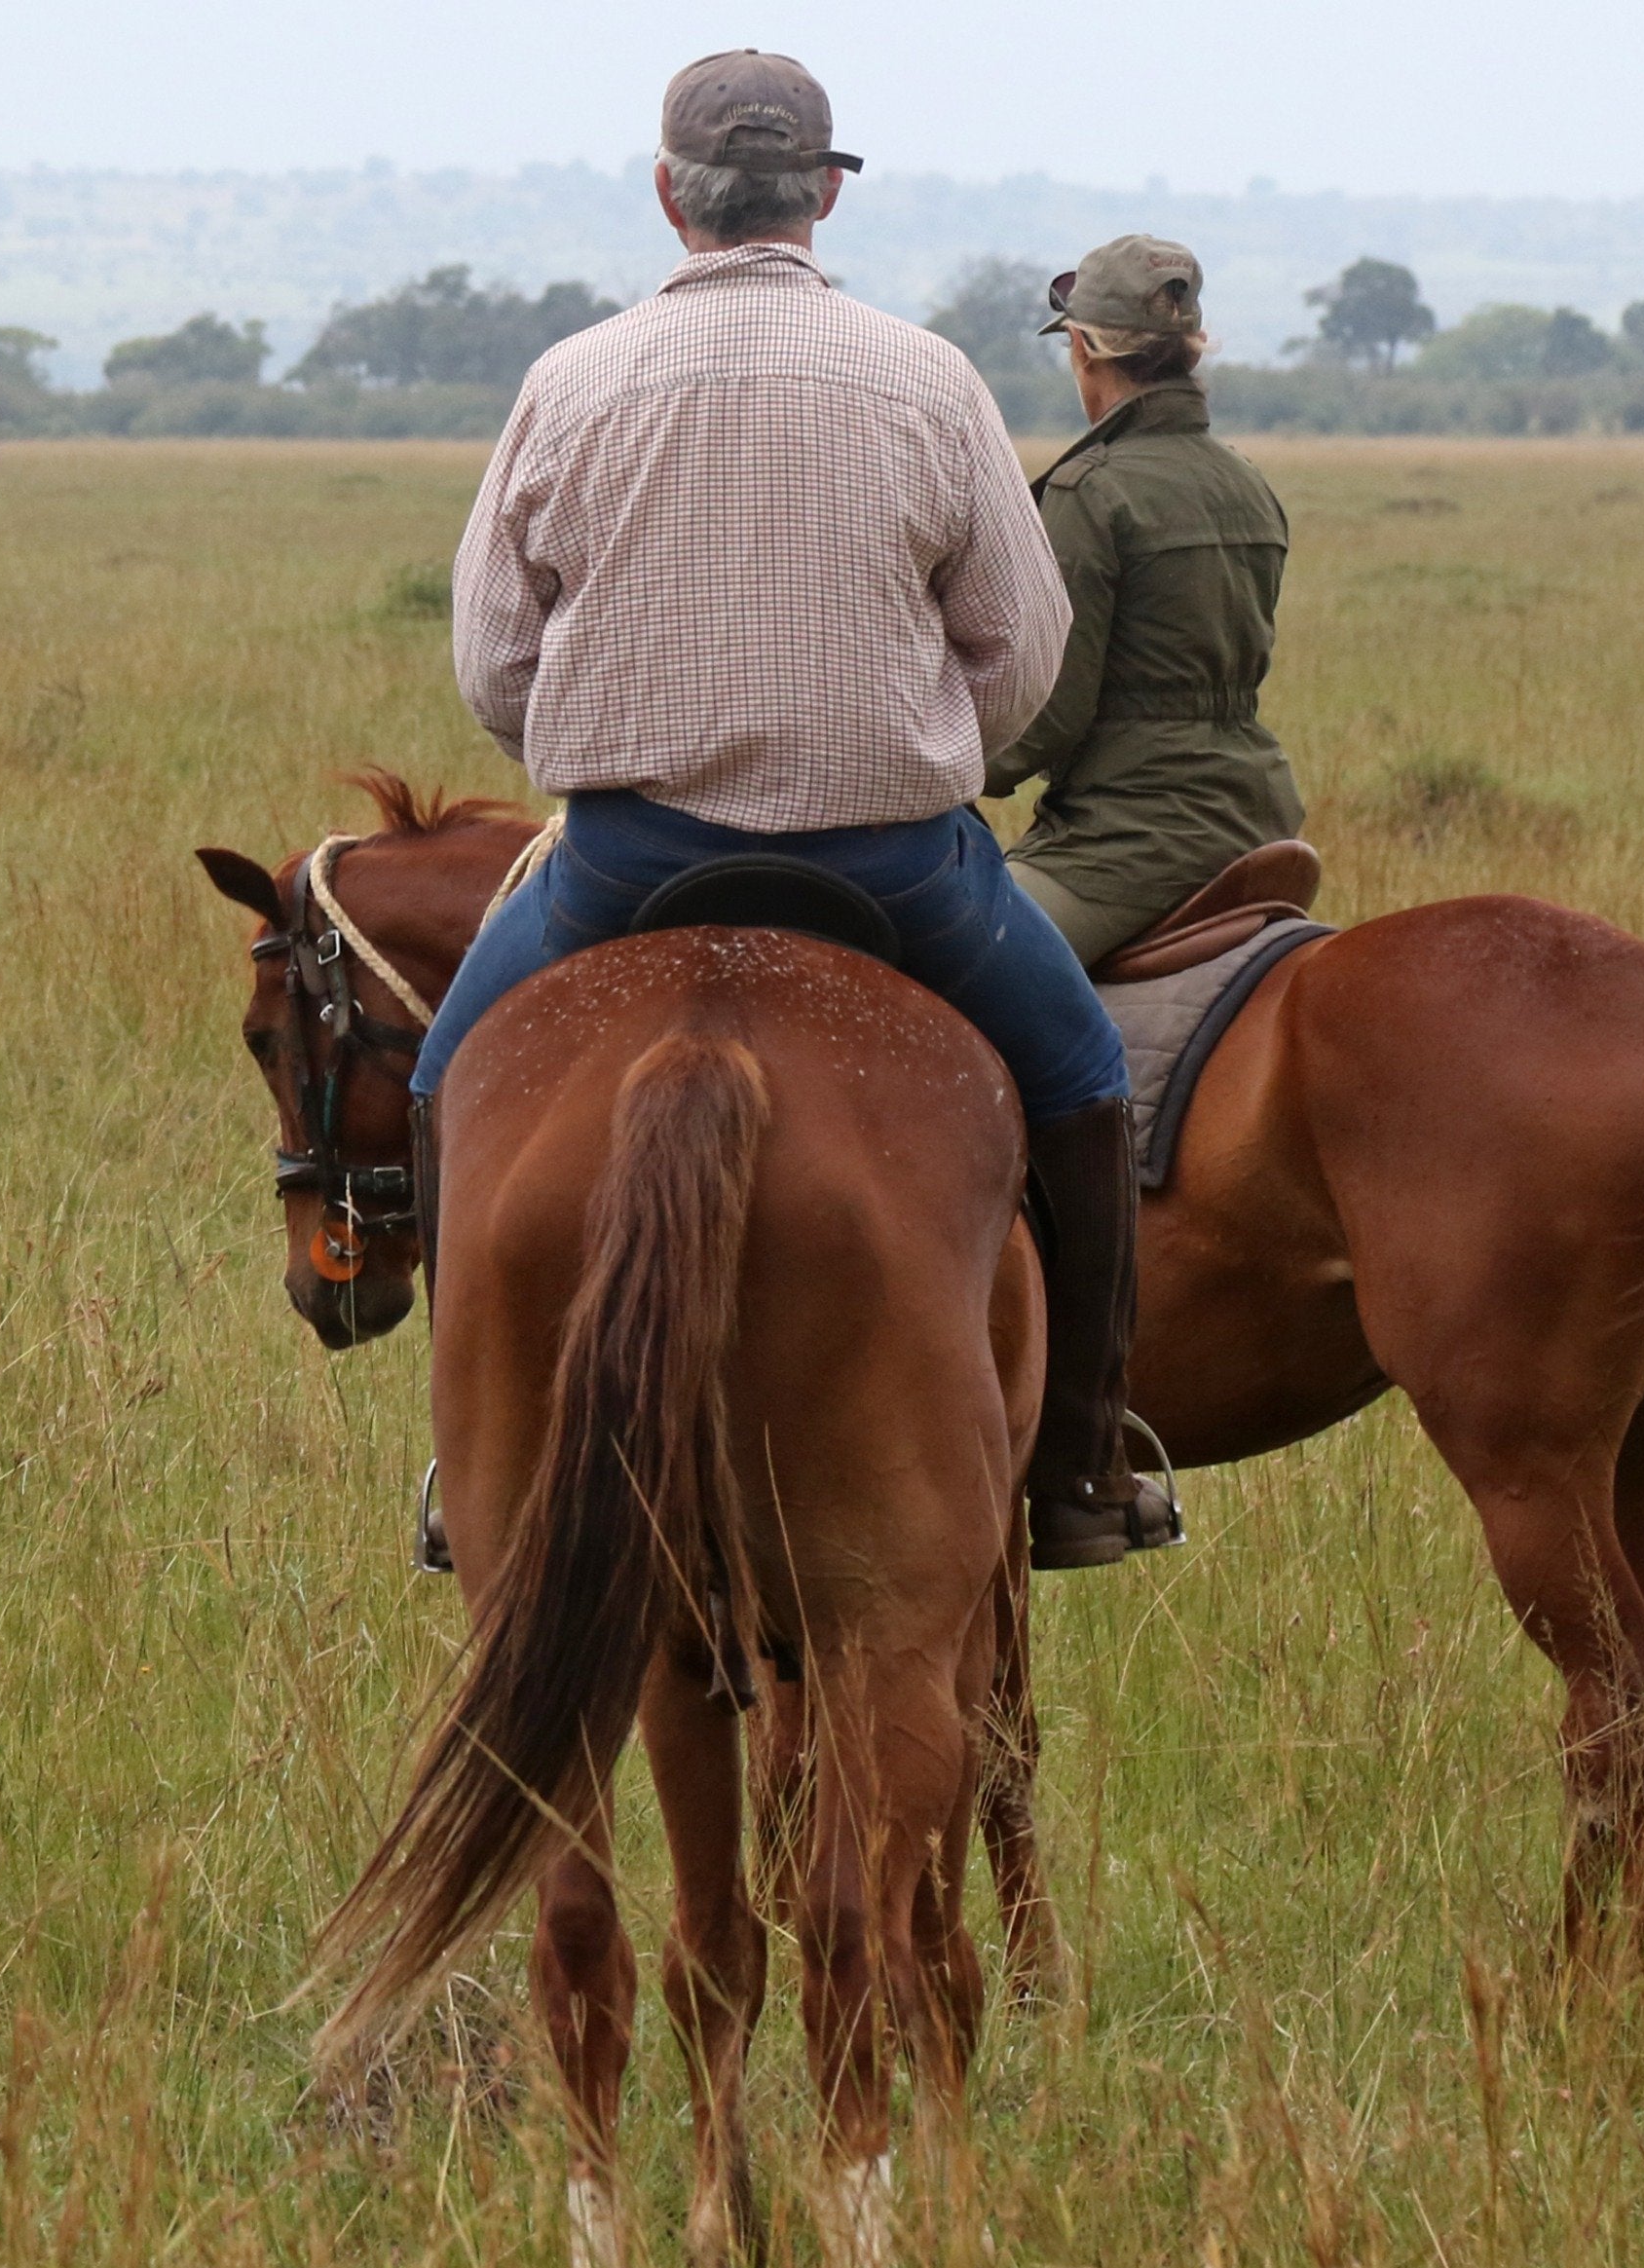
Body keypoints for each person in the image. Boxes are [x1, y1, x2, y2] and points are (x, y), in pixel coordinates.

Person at [404, 51, 1175, 1569]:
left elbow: (494, 662)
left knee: (444, 1084)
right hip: (899, 871)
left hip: (624, 864)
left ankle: (467, 1466)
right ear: (824, 193)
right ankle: (1082, 1467)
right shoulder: (930, 375)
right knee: (1083, 1080)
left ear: (668, 196)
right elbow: (1020, 650)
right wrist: (929, 742)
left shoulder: (570, 380)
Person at [984, 236, 1303, 965]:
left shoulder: (1088, 491)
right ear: (1188, 349)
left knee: (958, 965)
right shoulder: (1244, 480)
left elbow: (1047, 713)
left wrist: (944, 773)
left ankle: (1092, 1088)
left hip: (1129, 841)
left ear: (1083, 350)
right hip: (1258, 815)